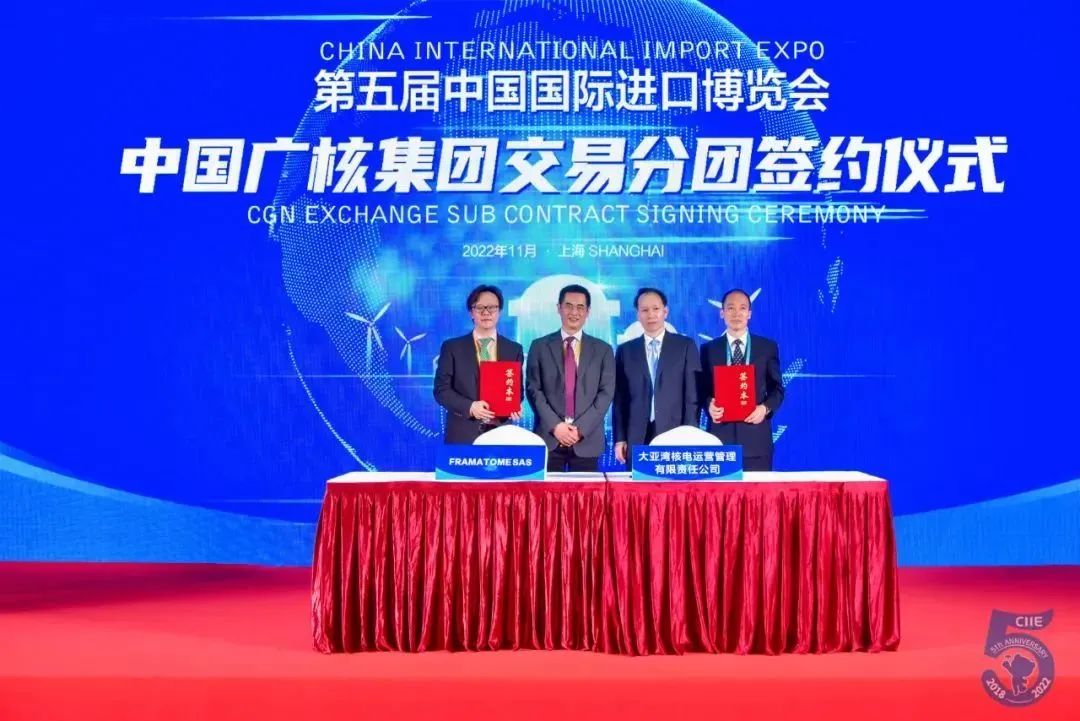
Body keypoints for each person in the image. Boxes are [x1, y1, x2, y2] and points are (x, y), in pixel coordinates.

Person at [525, 284, 615, 472]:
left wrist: (580, 429)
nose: (574, 312)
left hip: (587, 440)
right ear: (559, 308)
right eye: (569, 306)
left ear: (588, 312)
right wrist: (556, 426)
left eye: (580, 307)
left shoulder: (603, 350)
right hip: (549, 437)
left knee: (585, 492)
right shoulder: (539, 347)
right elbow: (534, 390)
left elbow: (606, 393)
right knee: (546, 492)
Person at [699, 288, 785, 471]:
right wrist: (708, 404)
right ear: (722, 313)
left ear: (749, 314)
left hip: (756, 440)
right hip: (719, 439)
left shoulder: (767, 347)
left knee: (757, 490)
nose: (736, 314)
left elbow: (777, 389)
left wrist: (764, 408)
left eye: (742, 308)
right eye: (731, 308)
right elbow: (701, 389)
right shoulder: (709, 349)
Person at [613, 288, 700, 467]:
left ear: (665, 312)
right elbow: (620, 399)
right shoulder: (625, 351)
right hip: (636, 435)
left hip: (675, 433)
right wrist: (620, 438)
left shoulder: (684, 346)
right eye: (644, 310)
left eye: (656, 309)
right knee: (638, 484)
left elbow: (692, 395)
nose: (651, 315)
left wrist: (690, 434)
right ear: (638, 315)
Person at [433, 285, 524, 444]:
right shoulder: (452, 347)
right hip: (462, 434)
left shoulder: (513, 349)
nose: (486, 312)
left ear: (499, 312)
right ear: (471, 312)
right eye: (480, 307)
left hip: (501, 434)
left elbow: (517, 390)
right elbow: (441, 390)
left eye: (492, 307)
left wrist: (515, 404)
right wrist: (470, 406)